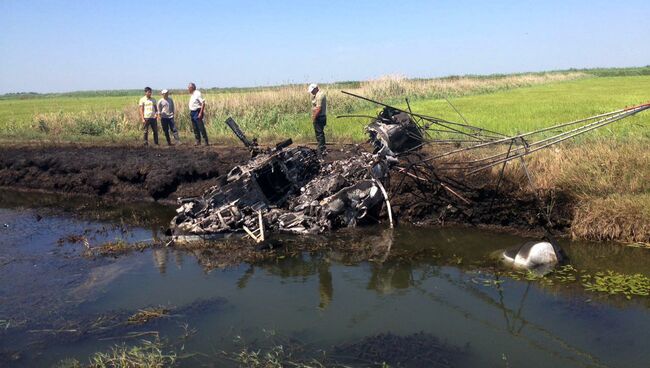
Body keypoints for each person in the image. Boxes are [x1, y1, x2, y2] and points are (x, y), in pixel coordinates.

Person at [309, 83, 327, 154]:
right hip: (320, 116)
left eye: (312, 90)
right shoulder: (317, 94)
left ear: (316, 88)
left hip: (319, 117)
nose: (311, 92)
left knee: (319, 134)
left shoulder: (320, 95)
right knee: (319, 133)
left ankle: (321, 149)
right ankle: (322, 147)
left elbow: (319, 109)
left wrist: (314, 117)